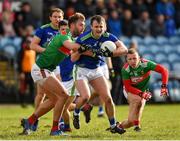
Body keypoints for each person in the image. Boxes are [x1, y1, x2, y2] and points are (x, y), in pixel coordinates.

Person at [21, 12, 86, 136]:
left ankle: (29, 121)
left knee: (56, 99)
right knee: (63, 95)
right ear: (72, 25)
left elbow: (73, 55)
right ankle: (55, 129)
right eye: (80, 24)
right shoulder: (64, 35)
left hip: (45, 70)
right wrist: (87, 45)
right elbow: (72, 46)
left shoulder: (69, 37)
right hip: (41, 69)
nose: (83, 27)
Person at [71, 15, 128, 134]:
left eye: (101, 26)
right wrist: (81, 51)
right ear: (91, 27)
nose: (99, 29)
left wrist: (110, 54)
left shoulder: (108, 37)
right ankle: (76, 113)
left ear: (105, 26)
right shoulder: (83, 38)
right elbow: (73, 58)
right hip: (81, 70)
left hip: (96, 70)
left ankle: (113, 126)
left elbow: (124, 49)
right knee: (86, 96)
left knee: (108, 99)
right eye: (96, 26)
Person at [29, 8, 64, 131]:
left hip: (56, 66)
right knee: (41, 94)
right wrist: (48, 52)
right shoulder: (44, 29)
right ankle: (35, 120)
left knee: (61, 94)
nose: (57, 19)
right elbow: (32, 45)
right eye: (55, 16)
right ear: (50, 18)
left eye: (60, 17)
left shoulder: (64, 31)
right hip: (43, 65)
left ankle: (61, 123)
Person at [119, 48, 169, 132]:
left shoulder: (146, 64)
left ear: (139, 58)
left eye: (134, 58)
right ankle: (128, 125)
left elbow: (164, 70)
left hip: (143, 90)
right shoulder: (125, 69)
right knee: (138, 102)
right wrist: (141, 93)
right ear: (126, 60)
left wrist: (164, 86)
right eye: (130, 59)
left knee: (140, 104)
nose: (132, 61)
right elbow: (128, 87)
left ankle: (132, 126)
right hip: (130, 91)